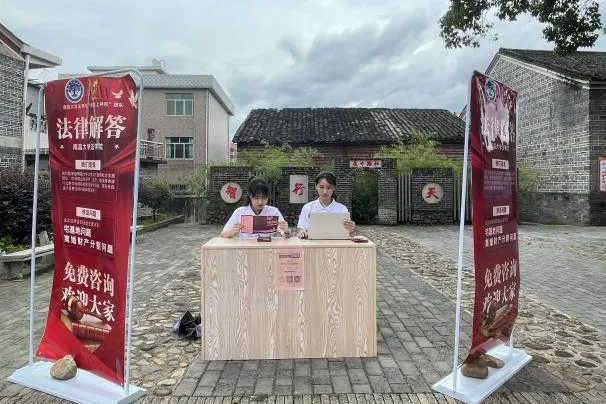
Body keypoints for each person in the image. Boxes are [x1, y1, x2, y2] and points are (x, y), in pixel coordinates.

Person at [221, 178, 291, 238]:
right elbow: (223, 234)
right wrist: (233, 231)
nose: (260, 202)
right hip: (246, 248)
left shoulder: (274, 211)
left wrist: (286, 231)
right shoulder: (239, 212)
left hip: (268, 248)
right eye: (256, 198)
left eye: (264, 198)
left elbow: (284, 234)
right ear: (250, 195)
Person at [297, 172, 355, 238]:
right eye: (321, 187)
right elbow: (301, 228)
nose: (325, 191)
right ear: (316, 186)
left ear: (334, 188)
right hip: (312, 242)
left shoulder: (342, 209)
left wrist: (350, 228)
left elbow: (346, 231)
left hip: (336, 243)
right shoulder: (308, 207)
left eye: (329, 188)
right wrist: (302, 232)